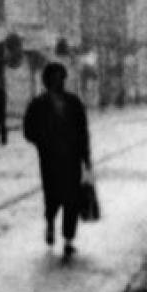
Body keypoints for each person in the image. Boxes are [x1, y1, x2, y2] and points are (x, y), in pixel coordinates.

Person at [23, 61, 92, 260]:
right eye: (54, 78)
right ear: (47, 81)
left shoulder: (73, 103)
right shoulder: (38, 104)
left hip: (71, 159)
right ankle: (51, 224)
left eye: (60, 78)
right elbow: (29, 130)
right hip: (50, 159)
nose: (58, 82)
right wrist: (43, 142)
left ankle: (68, 239)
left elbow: (82, 131)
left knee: (71, 200)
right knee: (52, 197)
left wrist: (86, 157)